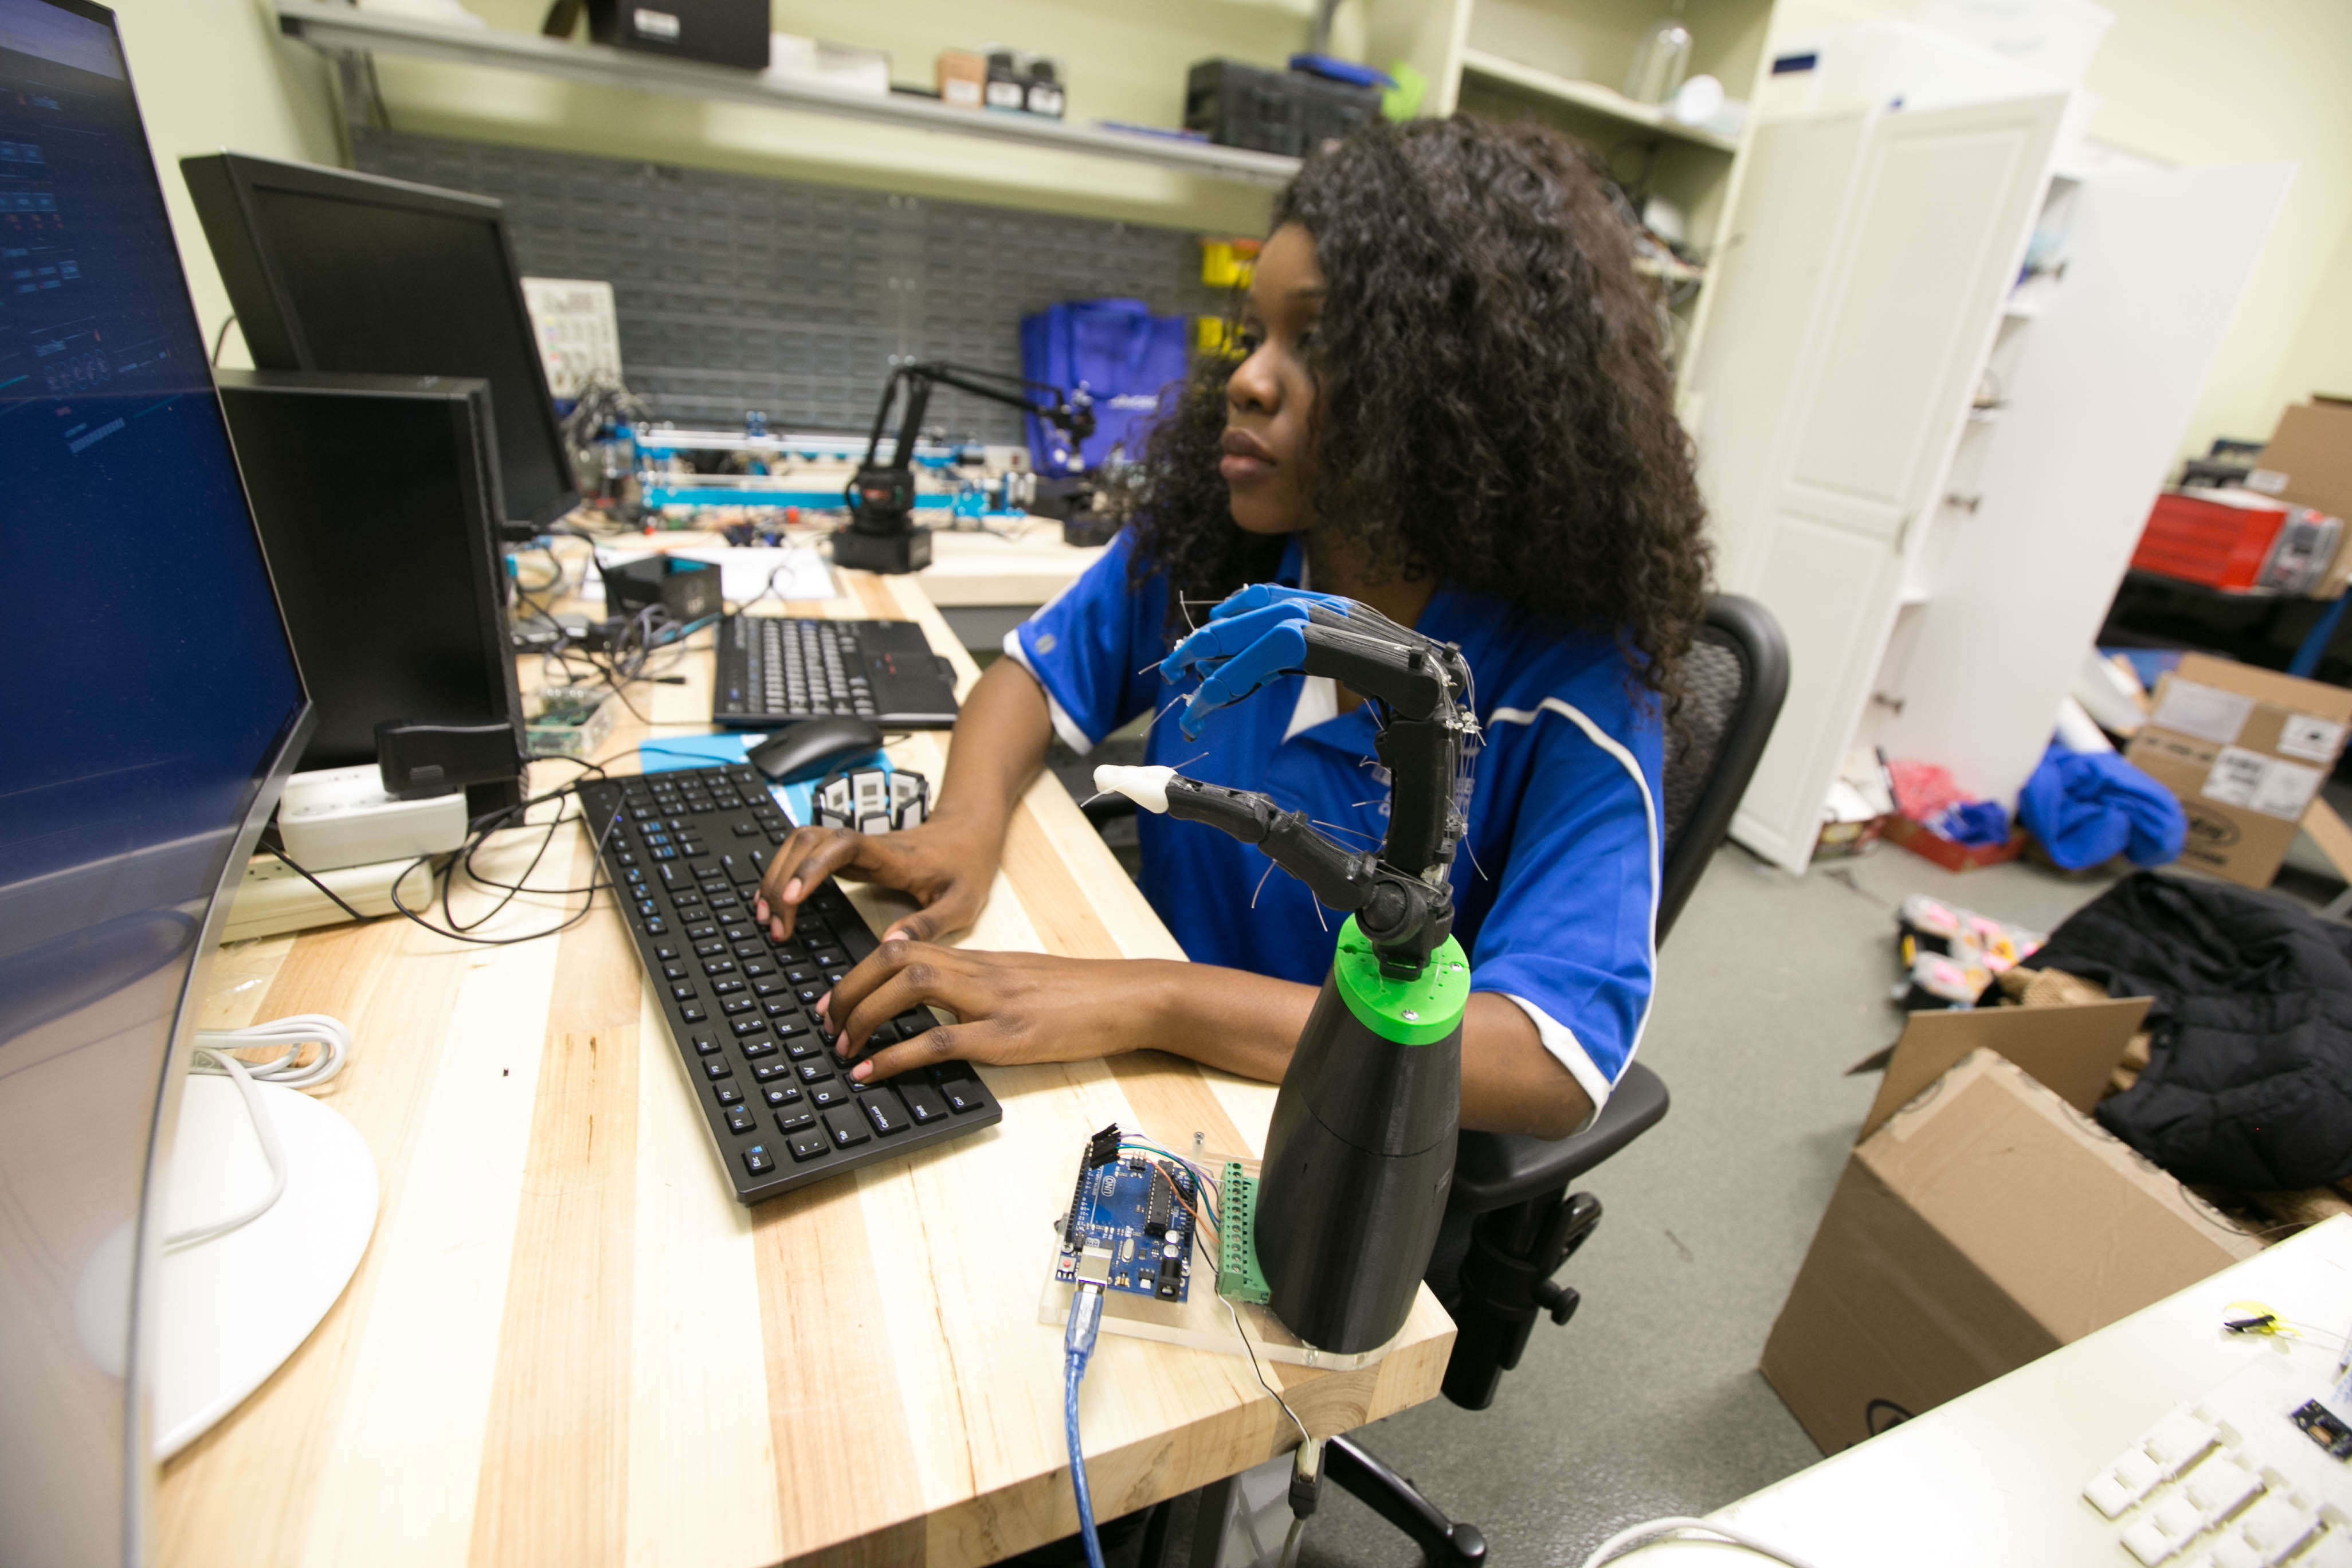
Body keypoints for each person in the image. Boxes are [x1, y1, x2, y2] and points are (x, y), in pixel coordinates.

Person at [754, 116, 1711, 1139]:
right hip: (1154, 1066)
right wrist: (965, 827)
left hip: (1337, 1128)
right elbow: (1029, 679)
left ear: (1467, 385)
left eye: (1320, 341)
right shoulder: (1219, 547)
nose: (1252, 377)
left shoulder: (1572, 675)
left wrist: (1155, 997)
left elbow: (1548, 1060)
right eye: (1256, 334)